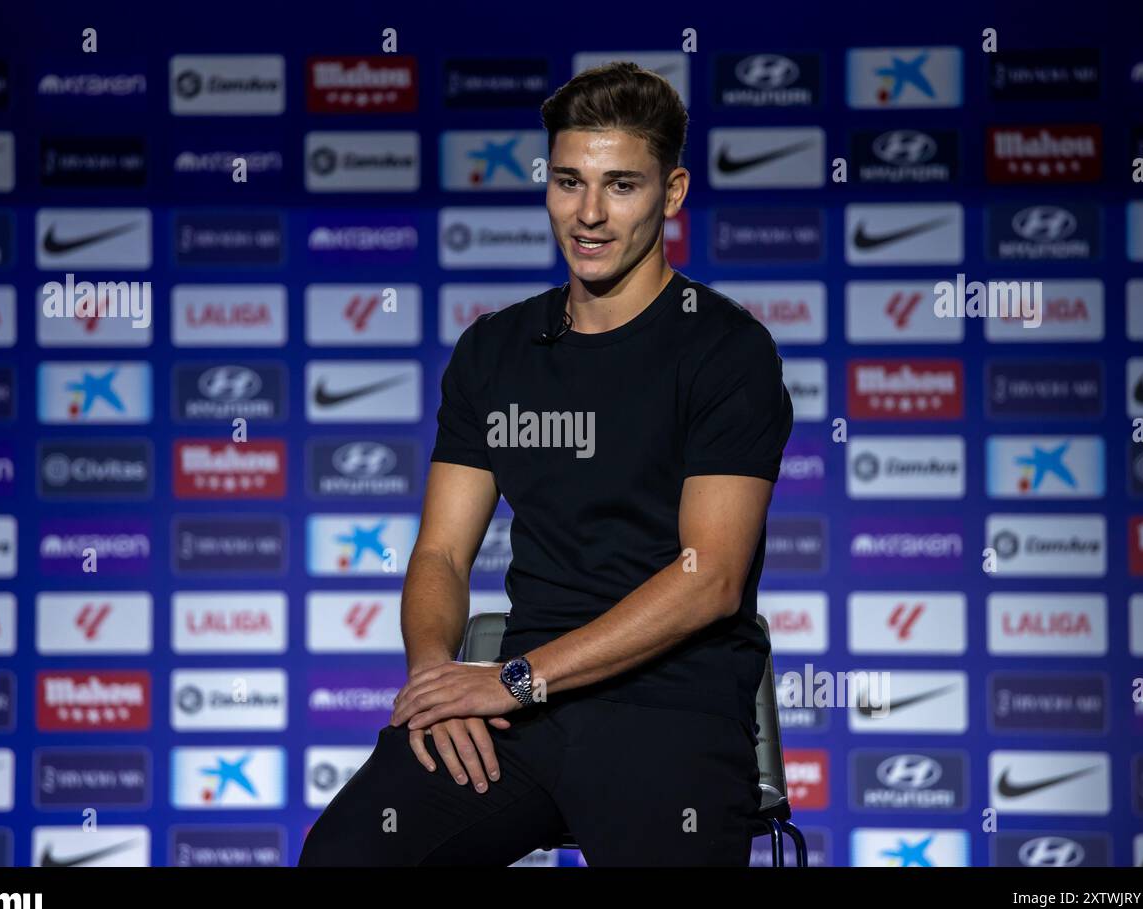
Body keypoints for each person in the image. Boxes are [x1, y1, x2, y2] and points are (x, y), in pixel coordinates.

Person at [299, 60, 794, 867]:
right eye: (569, 182)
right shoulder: (496, 349)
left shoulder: (725, 350)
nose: (589, 214)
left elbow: (710, 577)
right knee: (345, 859)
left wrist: (512, 678)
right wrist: (437, 683)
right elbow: (440, 552)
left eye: (621, 186)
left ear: (671, 194)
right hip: (516, 719)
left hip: (668, 709)